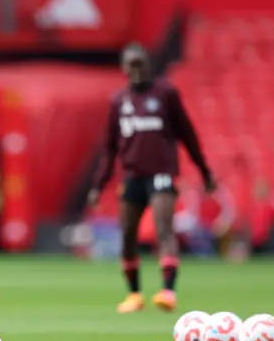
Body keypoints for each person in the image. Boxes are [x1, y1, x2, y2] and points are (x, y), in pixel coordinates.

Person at [88, 42, 215, 314]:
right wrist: (99, 185)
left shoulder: (166, 94)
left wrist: (205, 171)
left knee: (163, 228)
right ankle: (134, 294)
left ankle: (168, 291)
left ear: (147, 65)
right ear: (123, 67)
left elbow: (187, 135)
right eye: (130, 64)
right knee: (127, 235)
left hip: (161, 174)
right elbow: (110, 148)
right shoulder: (118, 101)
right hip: (132, 175)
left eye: (139, 64)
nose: (135, 70)